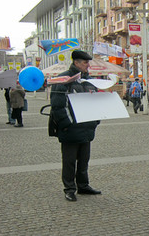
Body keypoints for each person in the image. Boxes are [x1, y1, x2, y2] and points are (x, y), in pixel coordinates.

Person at [50, 50, 101, 202]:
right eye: (85, 63)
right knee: (69, 161)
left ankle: (83, 185)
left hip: (86, 128)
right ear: (76, 63)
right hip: (71, 129)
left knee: (84, 160)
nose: (88, 65)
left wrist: (95, 121)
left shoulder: (89, 81)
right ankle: (70, 189)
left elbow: (95, 102)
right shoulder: (64, 79)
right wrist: (67, 124)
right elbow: (58, 106)